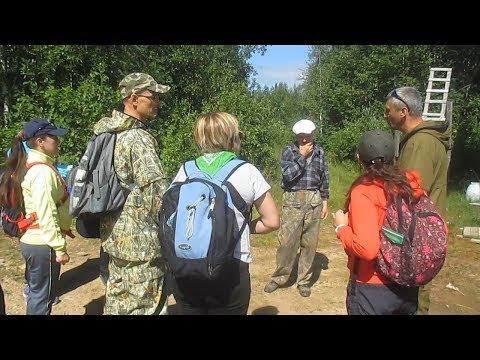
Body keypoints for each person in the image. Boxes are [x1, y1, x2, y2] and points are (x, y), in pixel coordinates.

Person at [168, 112, 280, 315]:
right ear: (232, 137)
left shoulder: (185, 170)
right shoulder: (247, 171)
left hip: (186, 265)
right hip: (231, 267)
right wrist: (241, 227)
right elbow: (271, 221)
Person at [98, 72, 170, 315]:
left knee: (118, 301)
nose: (158, 101)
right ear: (134, 98)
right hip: (141, 244)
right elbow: (156, 194)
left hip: (115, 237)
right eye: (153, 96)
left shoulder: (107, 134)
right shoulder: (138, 139)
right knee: (144, 306)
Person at [333, 129, 424, 315]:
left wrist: (341, 228)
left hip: (372, 286)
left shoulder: (364, 191)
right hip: (407, 284)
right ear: (394, 156)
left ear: (359, 157)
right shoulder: (410, 184)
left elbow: (367, 249)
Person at [385, 86, 451, 315]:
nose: (386, 116)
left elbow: (412, 190)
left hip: (419, 230)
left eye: (388, 111)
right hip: (421, 229)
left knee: (415, 295)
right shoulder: (419, 140)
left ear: (403, 111)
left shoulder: (420, 143)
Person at [0, 118, 72, 315]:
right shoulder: (41, 171)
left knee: (38, 293)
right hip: (43, 242)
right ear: (40, 141)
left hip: (34, 239)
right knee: (42, 298)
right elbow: (46, 211)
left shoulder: (30, 164)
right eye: (54, 137)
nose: (58, 141)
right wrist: (58, 247)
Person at [264, 119, 329, 298]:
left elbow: (325, 177)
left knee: (310, 244)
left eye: (307, 136)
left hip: (314, 199)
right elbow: (288, 175)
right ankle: (279, 278)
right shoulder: (289, 151)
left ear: (312, 135)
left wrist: (325, 201)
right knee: (287, 243)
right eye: (300, 137)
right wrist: (301, 156)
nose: (304, 140)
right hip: (293, 199)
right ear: (296, 136)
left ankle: (304, 281)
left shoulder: (320, 153)